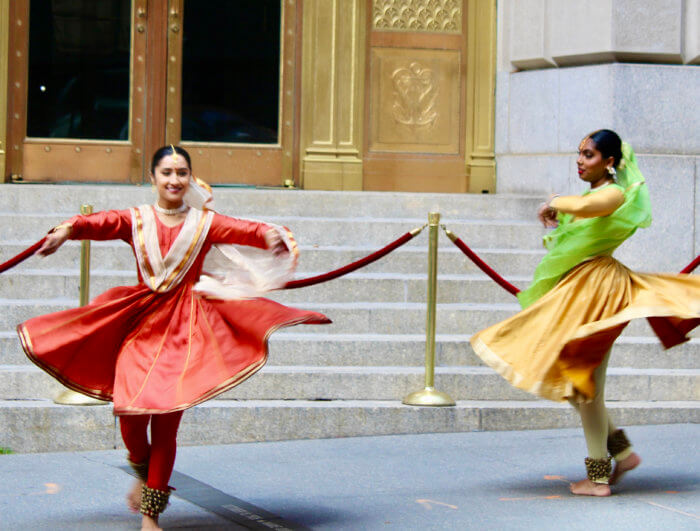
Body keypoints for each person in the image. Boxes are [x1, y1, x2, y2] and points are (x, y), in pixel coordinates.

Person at [17, 145, 331, 529]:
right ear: (152, 178)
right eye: (166, 173)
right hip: (141, 327)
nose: (174, 180)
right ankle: (143, 474)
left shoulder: (204, 223)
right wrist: (66, 231)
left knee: (165, 420)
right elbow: (99, 223)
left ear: (190, 178)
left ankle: (151, 513)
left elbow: (247, 229)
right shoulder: (137, 220)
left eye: (182, 173)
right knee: (130, 416)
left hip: (185, 331)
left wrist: (271, 236)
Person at [470, 129, 699, 497]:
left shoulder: (613, 192)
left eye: (589, 155)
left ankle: (598, 478)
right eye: (579, 153)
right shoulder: (592, 194)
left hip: (599, 291)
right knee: (579, 385)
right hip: (580, 288)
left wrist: (557, 202)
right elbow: (583, 219)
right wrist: (559, 214)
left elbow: (592, 209)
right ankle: (622, 454)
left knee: (585, 385)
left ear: (609, 162)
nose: (580, 160)